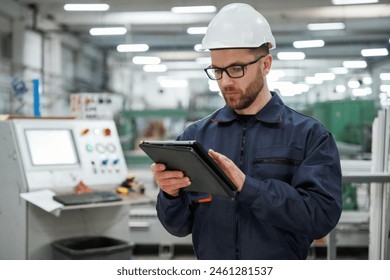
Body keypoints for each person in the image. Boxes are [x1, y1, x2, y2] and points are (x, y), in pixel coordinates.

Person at [150, 3, 342, 260]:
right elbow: (178, 227)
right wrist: (170, 194)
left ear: (266, 64)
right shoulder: (195, 137)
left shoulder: (308, 136)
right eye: (217, 71)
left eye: (237, 69)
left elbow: (320, 218)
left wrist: (248, 187)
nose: (226, 81)